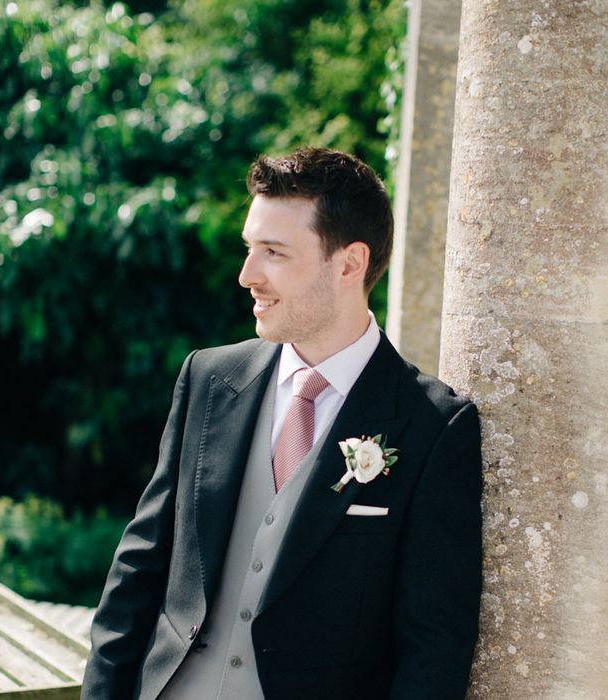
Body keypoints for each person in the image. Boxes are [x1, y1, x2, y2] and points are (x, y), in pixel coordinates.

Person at [81, 147, 482, 700]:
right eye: (251, 248)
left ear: (348, 263)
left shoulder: (433, 427)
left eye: (273, 252)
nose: (247, 275)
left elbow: (433, 652)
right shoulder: (208, 378)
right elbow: (138, 571)